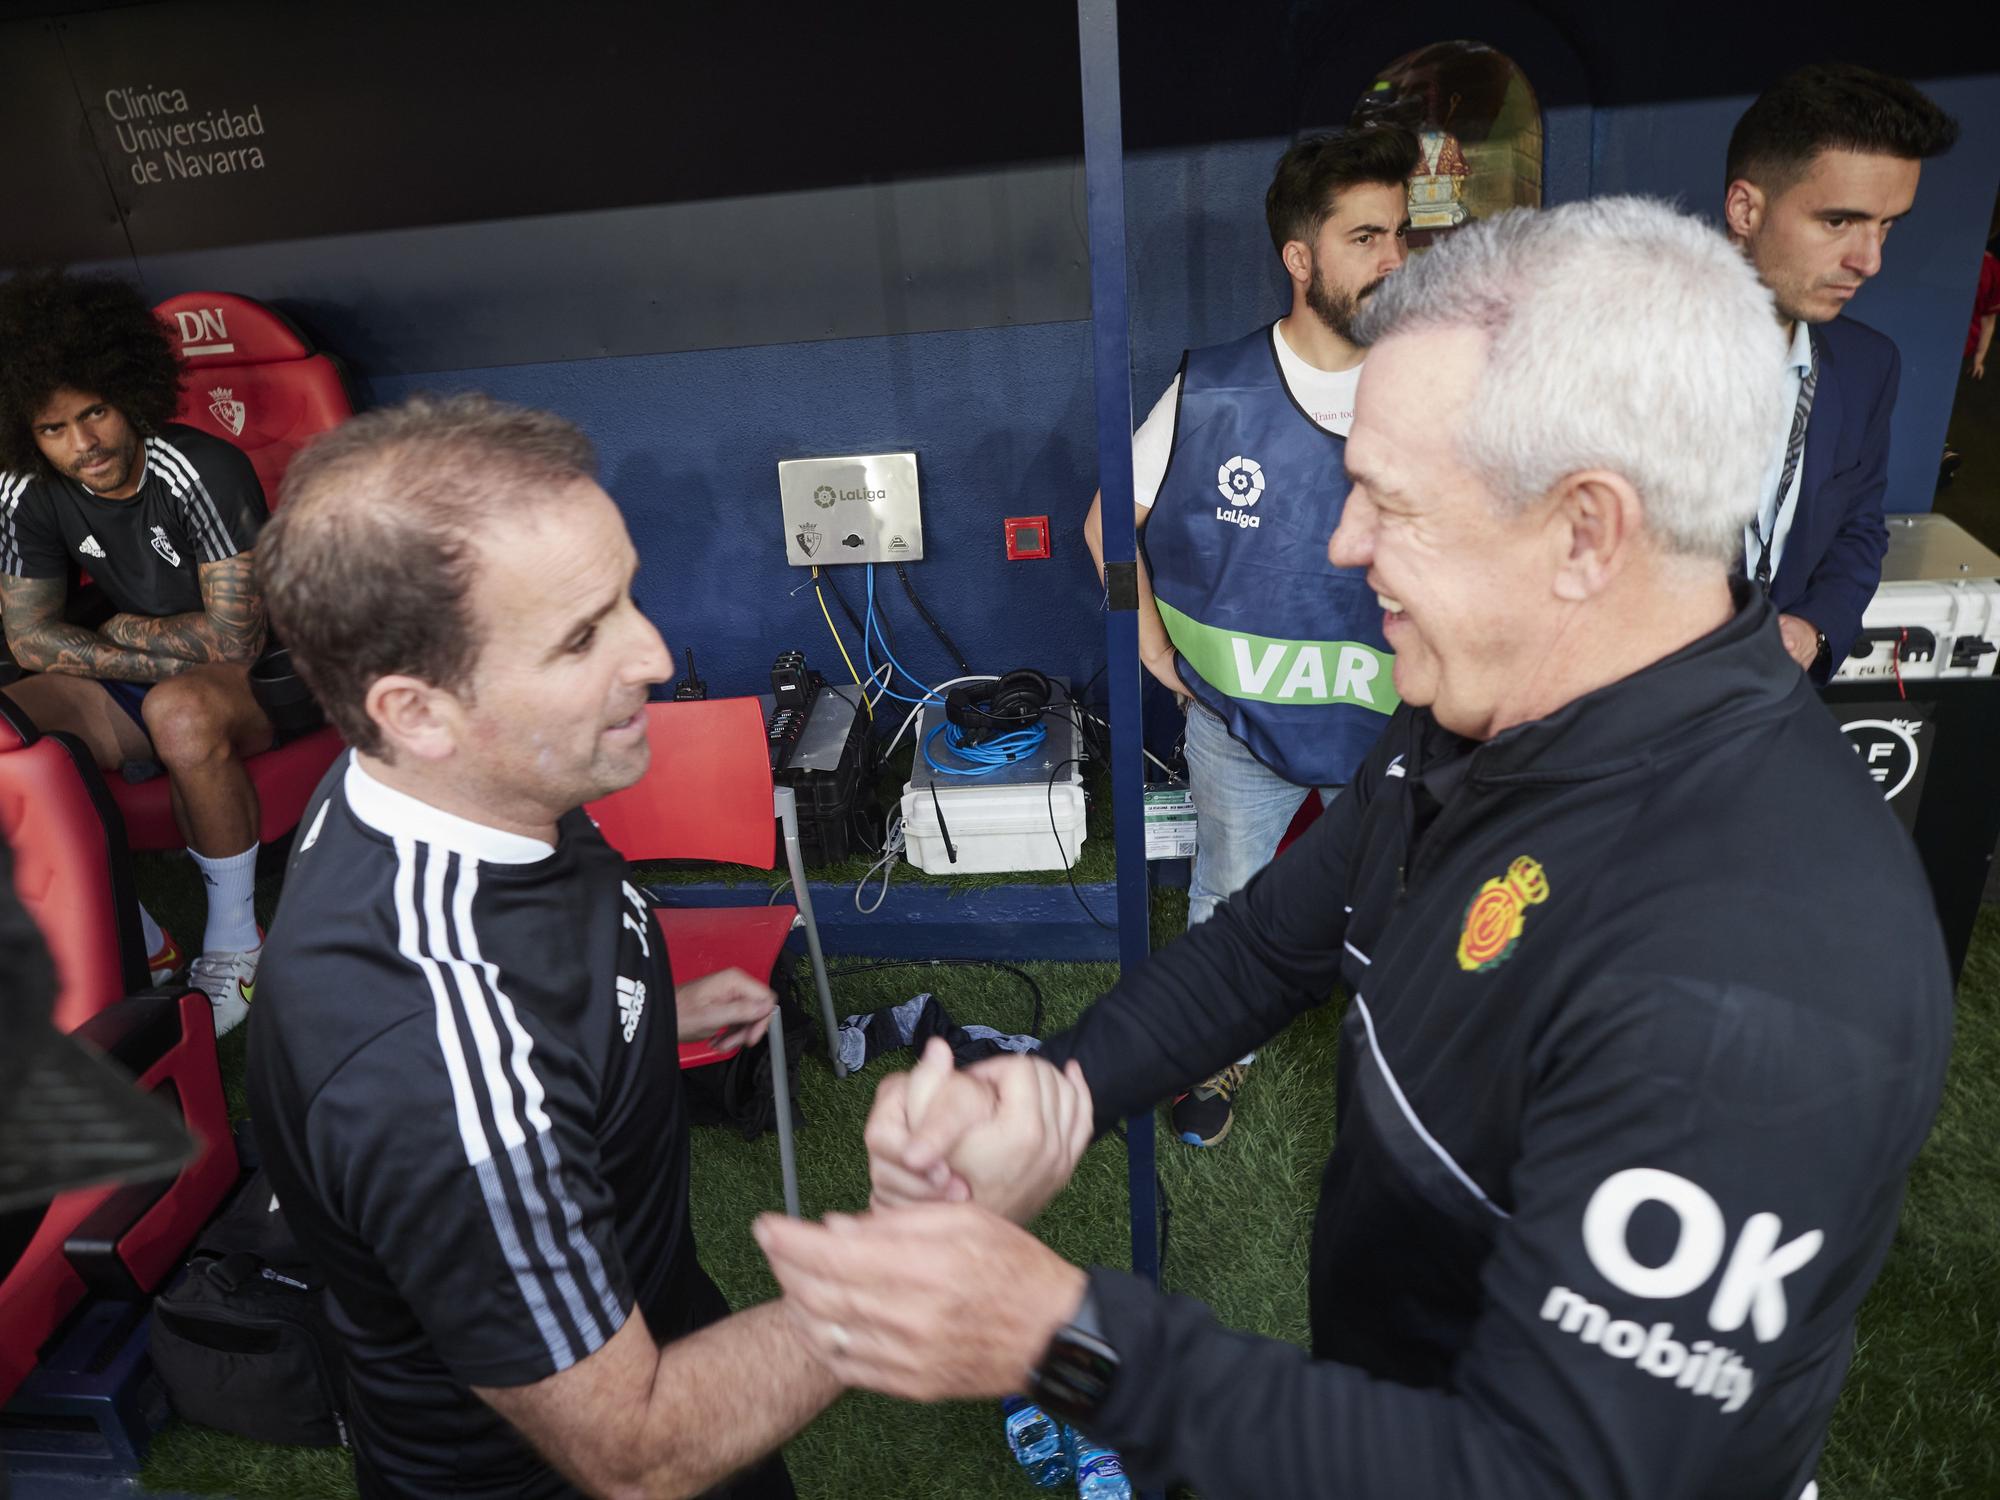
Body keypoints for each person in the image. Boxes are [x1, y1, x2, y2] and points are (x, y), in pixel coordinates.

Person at [756, 198, 1954, 1500]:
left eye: (1388, 501)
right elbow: (1275, 939)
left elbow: (1546, 1479)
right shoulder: (1481, 714)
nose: (1343, 544)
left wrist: (1066, 1341)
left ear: (1584, 534)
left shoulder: (1759, 974)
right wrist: (1059, 1090)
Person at [248, 395, 834, 1499]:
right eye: (581, 636)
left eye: (624, 597)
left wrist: (641, 1018)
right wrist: (923, 1267)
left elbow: (535, 974)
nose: (654, 654)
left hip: (651, 1305)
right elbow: (638, 1448)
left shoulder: (473, 779)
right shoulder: (430, 1065)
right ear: (416, 710)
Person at [1080, 124, 1419, 1146]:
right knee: (1231, 898)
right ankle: (1213, 1059)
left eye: (1400, 233)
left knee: (1413, 909)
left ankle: (1410, 1078)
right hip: (1244, 729)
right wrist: (1141, 638)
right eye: (1365, 237)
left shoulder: (1430, 385)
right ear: (1299, 258)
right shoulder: (1214, 390)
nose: (1393, 259)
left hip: (1392, 728)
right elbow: (1106, 526)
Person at [0, 270, 285, 1033]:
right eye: (54, 428)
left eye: (94, 412)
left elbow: (235, 638)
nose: (83, 444)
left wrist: (114, 637)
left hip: (264, 679)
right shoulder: (26, 488)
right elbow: (27, 636)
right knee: (6, 731)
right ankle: (140, 937)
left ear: (129, 392)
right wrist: (131, 647)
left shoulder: (198, 465)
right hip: (144, 681)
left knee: (183, 712)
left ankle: (236, 944)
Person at [1721, 64, 1959, 679]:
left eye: (1886, 226)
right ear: (1746, 210)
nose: (1870, 260)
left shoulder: (1867, 365)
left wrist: (1814, 629)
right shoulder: (1616, 361)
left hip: (1772, 705)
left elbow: (1858, 527)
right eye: (1838, 222)